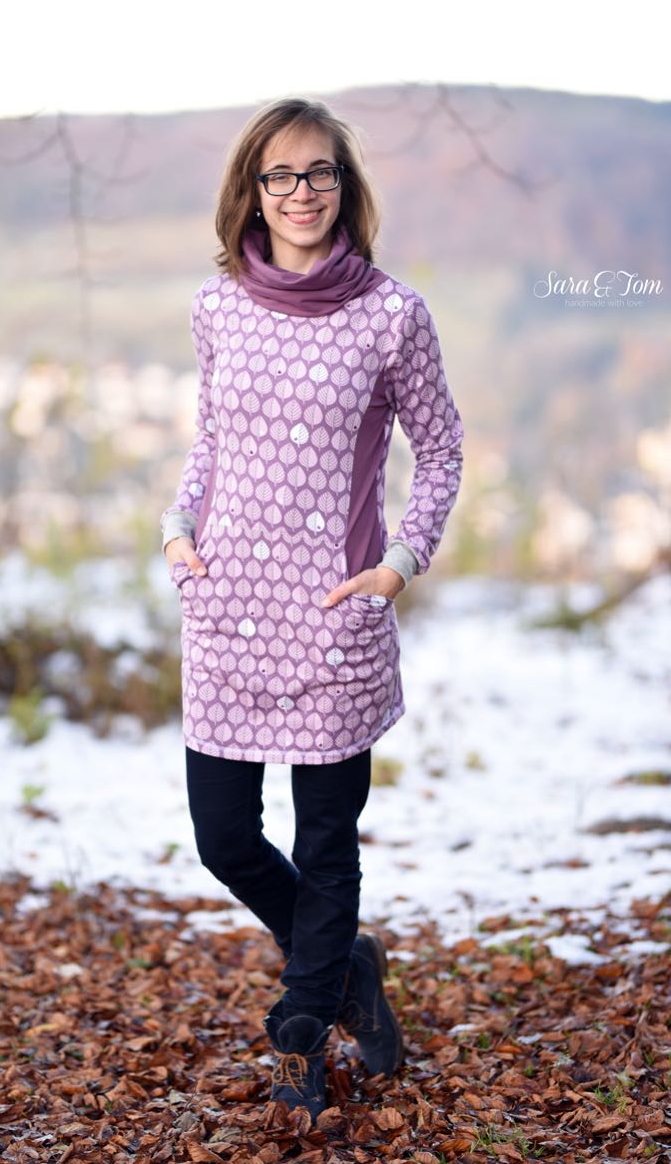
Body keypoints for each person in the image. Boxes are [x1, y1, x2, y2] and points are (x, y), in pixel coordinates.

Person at [160, 97, 464, 1118]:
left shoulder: (391, 315)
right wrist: (178, 527)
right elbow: (213, 441)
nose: (301, 191)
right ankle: (346, 966)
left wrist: (401, 561)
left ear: (344, 185)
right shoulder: (217, 307)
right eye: (280, 174)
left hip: (335, 616)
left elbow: (441, 448)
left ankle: (298, 1038)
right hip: (228, 612)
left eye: (319, 172)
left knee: (327, 842)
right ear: (252, 190)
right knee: (223, 835)